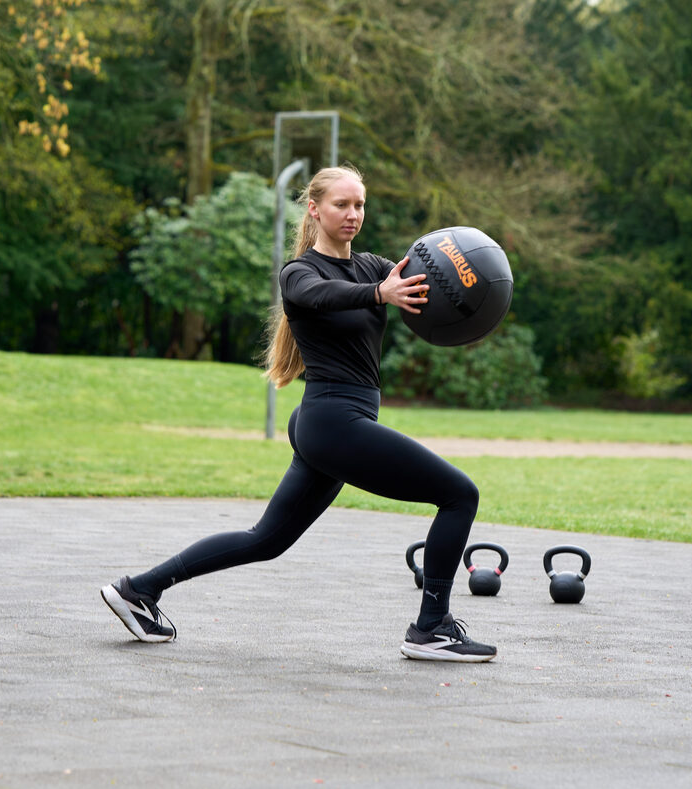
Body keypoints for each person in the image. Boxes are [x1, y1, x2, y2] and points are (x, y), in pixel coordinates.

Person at [101, 164, 495, 662]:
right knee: (459, 494)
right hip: (333, 423)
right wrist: (379, 294)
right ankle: (431, 627)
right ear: (314, 209)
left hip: (333, 426)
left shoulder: (374, 267)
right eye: (341, 205)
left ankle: (139, 590)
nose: (353, 215)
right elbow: (319, 296)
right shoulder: (300, 273)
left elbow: (434, 274)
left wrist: (473, 285)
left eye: (360, 205)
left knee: (266, 540)